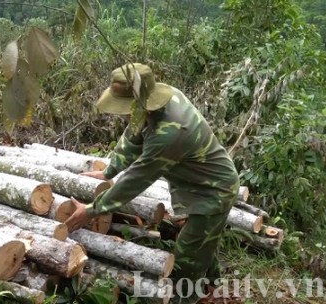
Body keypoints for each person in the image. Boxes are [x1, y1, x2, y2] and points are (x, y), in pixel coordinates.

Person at [64, 63, 240, 303]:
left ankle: (188, 298)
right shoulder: (158, 100)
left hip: (212, 193)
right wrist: (109, 171)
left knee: (188, 259)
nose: (125, 113)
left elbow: (136, 179)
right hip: (193, 186)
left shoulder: (169, 134)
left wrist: (92, 210)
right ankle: (213, 287)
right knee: (201, 244)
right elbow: (134, 135)